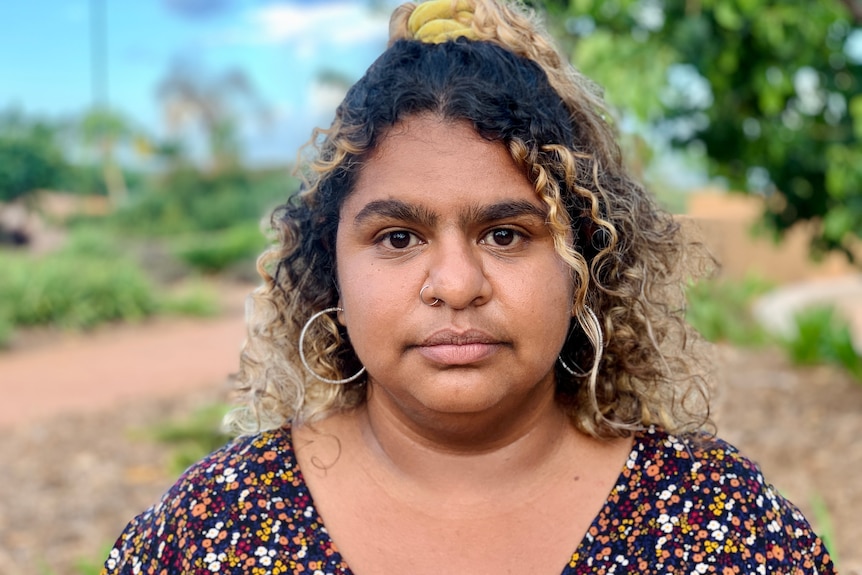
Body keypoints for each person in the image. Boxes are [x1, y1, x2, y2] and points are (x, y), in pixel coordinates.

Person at [102, 0, 836, 573]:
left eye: (506, 234)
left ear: (587, 263)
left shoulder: (721, 522)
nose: (456, 284)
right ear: (331, 268)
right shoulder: (209, 528)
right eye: (398, 238)